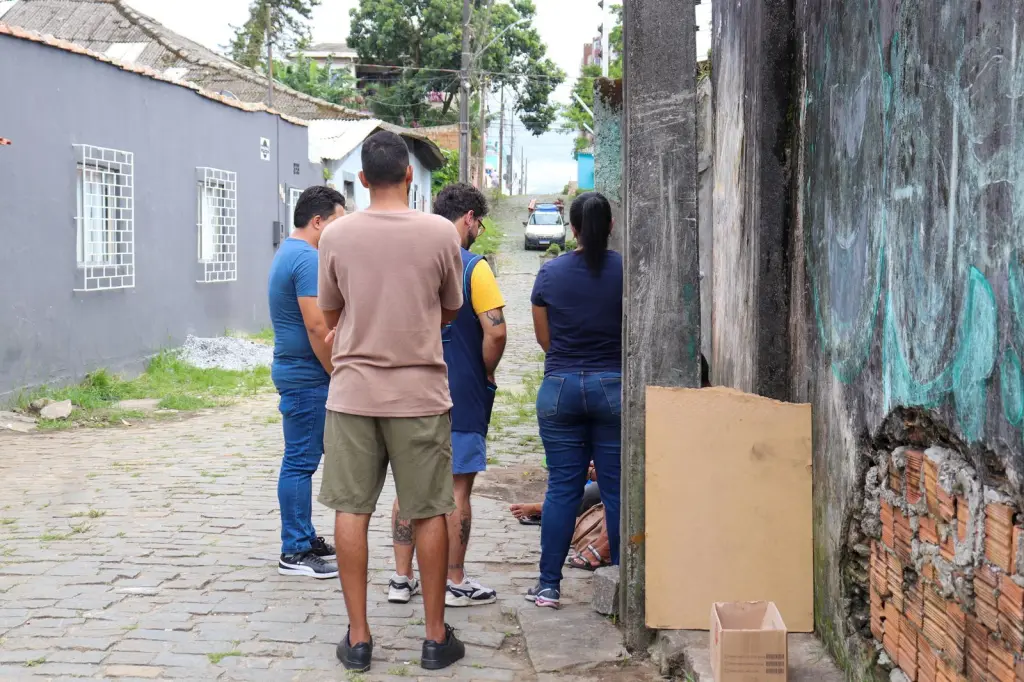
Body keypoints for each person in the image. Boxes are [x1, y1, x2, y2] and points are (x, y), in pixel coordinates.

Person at [316, 131, 466, 673]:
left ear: (361, 179)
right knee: (428, 512)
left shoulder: (335, 235)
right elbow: (451, 310)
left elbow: (331, 315)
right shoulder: (440, 233)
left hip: (353, 393)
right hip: (419, 395)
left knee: (351, 512)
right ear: (409, 175)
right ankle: (433, 637)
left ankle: (358, 639)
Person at [389, 183, 508, 608]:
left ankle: (402, 579)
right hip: (461, 390)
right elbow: (495, 330)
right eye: (480, 221)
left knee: (408, 485)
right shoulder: (474, 268)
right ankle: (455, 581)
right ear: (470, 218)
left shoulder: (408, 262)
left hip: (409, 389)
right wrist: (486, 371)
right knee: (457, 489)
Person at [526, 191, 622, 609]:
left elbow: (544, 340)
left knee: (562, 489)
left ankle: (548, 585)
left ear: (573, 228)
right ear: (611, 226)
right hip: (614, 387)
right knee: (617, 489)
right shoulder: (628, 270)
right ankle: (621, 583)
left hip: (561, 387)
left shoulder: (550, 274)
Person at [267, 185, 346, 580]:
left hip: (299, 371)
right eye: (337, 222)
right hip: (306, 375)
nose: (341, 230)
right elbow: (317, 326)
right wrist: (337, 372)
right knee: (300, 461)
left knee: (304, 458)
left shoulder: (291, 251)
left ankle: (304, 535)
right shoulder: (307, 258)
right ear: (319, 221)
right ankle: (294, 550)